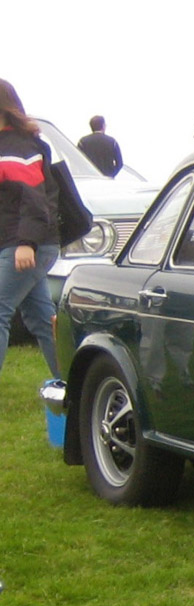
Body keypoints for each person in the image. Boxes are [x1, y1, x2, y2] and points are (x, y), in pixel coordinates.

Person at [0, 78, 60, 381]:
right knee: (40, 319)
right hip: (19, 243)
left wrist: (27, 243)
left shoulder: (16, 147)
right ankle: (73, 387)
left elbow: (34, 198)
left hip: (25, 245)